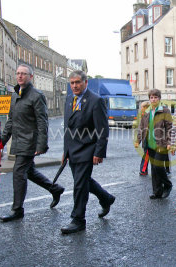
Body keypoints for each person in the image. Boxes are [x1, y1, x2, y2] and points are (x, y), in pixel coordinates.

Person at [0, 64, 65, 222]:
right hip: (18, 141)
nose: (20, 76)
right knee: (29, 172)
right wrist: (1, 142)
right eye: (18, 73)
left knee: (19, 172)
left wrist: (41, 145)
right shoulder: (15, 94)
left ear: (30, 77)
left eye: (24, 74)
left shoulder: (37, 95)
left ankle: (17, 210)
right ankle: (55, 189)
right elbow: (11, 121)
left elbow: (43, 122)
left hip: (30, 142)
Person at [61, 70, 115, 234]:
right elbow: (67, 128)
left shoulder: (95, 101)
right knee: (83, 181)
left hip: (87, 148)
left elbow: (102, 129)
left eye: (78, 82)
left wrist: (99, 152)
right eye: (72, 83)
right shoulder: (69, 98)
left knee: (79, 184)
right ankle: (106, 198)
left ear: (85, 82)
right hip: (73, 148)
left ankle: (78, 220)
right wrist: (65, 151)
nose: (75, 86)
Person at [135, 89, 173, 199]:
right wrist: (138, 140)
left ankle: (168, 185)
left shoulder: (165, 111)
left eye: (155, 97)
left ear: (159, 98)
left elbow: (170, 128)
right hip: (149, 143)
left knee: (158, 166)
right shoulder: (146, 112)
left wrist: (169, 142)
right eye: (151, 97)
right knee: (154, 168)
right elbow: (142, 127)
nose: (153, 99)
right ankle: (157, 192)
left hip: (161, 143)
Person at [137, 101, 150, 176]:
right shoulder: (143, 115)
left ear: (146, 108)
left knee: (146, 155)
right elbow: (140, 129)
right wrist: (138, 140)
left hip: (149, 140)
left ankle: (143, 170)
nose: (140, 108)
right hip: (145, 139)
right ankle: (143, 170)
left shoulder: (148, 115)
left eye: (142, 107)